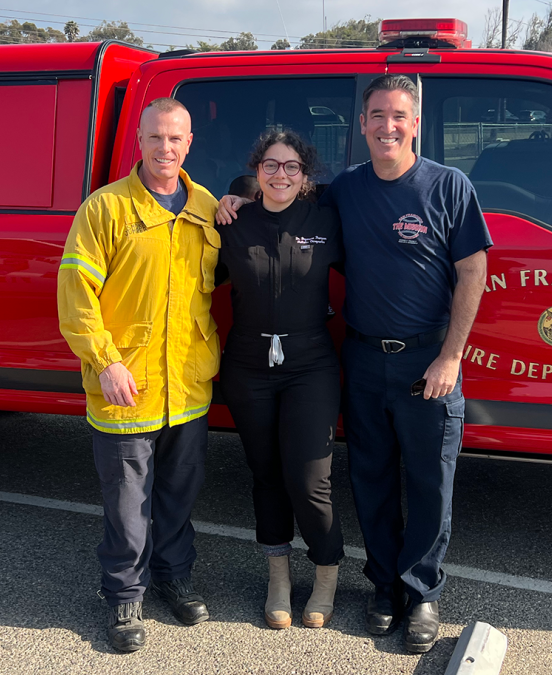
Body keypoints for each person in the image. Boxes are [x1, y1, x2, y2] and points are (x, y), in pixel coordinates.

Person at [218, 74, 491, 654]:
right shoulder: (345, 189)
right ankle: (384, 588)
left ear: (415, 122)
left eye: (399, 116)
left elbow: (474, 272)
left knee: (428, 482)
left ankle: (422, 595)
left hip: (428, 359)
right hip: (364, 357)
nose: (387, 126)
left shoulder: (449, 186)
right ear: (361, 124)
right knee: (369, 479)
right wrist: (237, 193)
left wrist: (451, 356)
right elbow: (285, 193)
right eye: (377, 116)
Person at [58, 97, 222, 653]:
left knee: (178, 494)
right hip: (126, 386)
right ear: (139, 141)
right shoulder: (104, 209)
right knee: (128, 504)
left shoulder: (205, 207)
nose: (165, 148)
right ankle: (125, 594)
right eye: (156, 138)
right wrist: (105, 362)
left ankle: (175, 578)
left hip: (188, 385)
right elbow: (76, 296)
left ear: (189, 144)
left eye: (176, 139)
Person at [215, 130, 345, 630]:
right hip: (248, 364)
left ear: (305, 175)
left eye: (292, 167)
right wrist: (229, 199)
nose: (281, 175)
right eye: (271, 165)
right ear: (257, 171)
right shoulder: (232, 221)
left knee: (309, 477)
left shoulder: (326, 219)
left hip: (310, 363)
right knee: (266, 472)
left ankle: (327, 572)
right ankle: (278, 579)